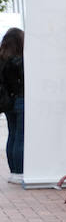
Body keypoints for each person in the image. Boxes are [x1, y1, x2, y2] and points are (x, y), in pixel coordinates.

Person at [0, 27, 23, 182]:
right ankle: (20, 171)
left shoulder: (2, 58)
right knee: (21, 137)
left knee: (12, 135)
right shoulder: (21, 60)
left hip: (7, 102)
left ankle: (14, 171)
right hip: (21, 101)